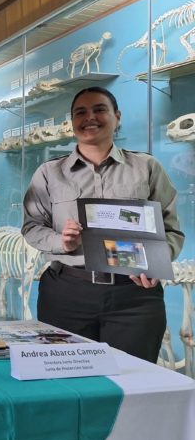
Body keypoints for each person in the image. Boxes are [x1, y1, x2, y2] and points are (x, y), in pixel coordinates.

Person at [22, 86, 184, 362]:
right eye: (80, 112)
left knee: (134, 376)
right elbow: (32, 226)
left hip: (134, 297)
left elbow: (171, 230)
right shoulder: (49, 172)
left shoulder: (146, 167)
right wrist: (61, 241)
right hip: (67, 293)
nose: (90, 118)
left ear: (117, 116)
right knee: (68, 376)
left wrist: (155, 261)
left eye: (99, 109)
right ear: (71, 121)